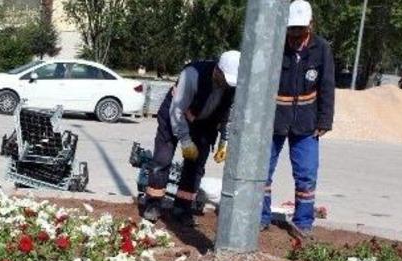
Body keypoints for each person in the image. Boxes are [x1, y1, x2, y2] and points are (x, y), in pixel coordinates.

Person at [141, 50, 241, 226]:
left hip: (203, 122)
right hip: (174, 114)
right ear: (217, 69)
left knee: (195, 167)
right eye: (224, 79)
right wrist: (186, 141)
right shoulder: (192, 75)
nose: (226, 84)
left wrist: (224, 142)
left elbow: (229, 116)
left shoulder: (232, 87)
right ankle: (153, 204)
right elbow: (177, 111)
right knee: (162, 160)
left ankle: (182, 207)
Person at [261, 0, 335, 235]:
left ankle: (303, 223)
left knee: (306, 174)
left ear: (310, 26)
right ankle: (260, 218)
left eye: (299, 30)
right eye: (291, 29)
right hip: (274, 121)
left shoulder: (321, 49)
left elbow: (327, 85)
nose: (294, 35)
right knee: (262, 172)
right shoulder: (275, 46)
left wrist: (324, 120)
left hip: (307, 123)